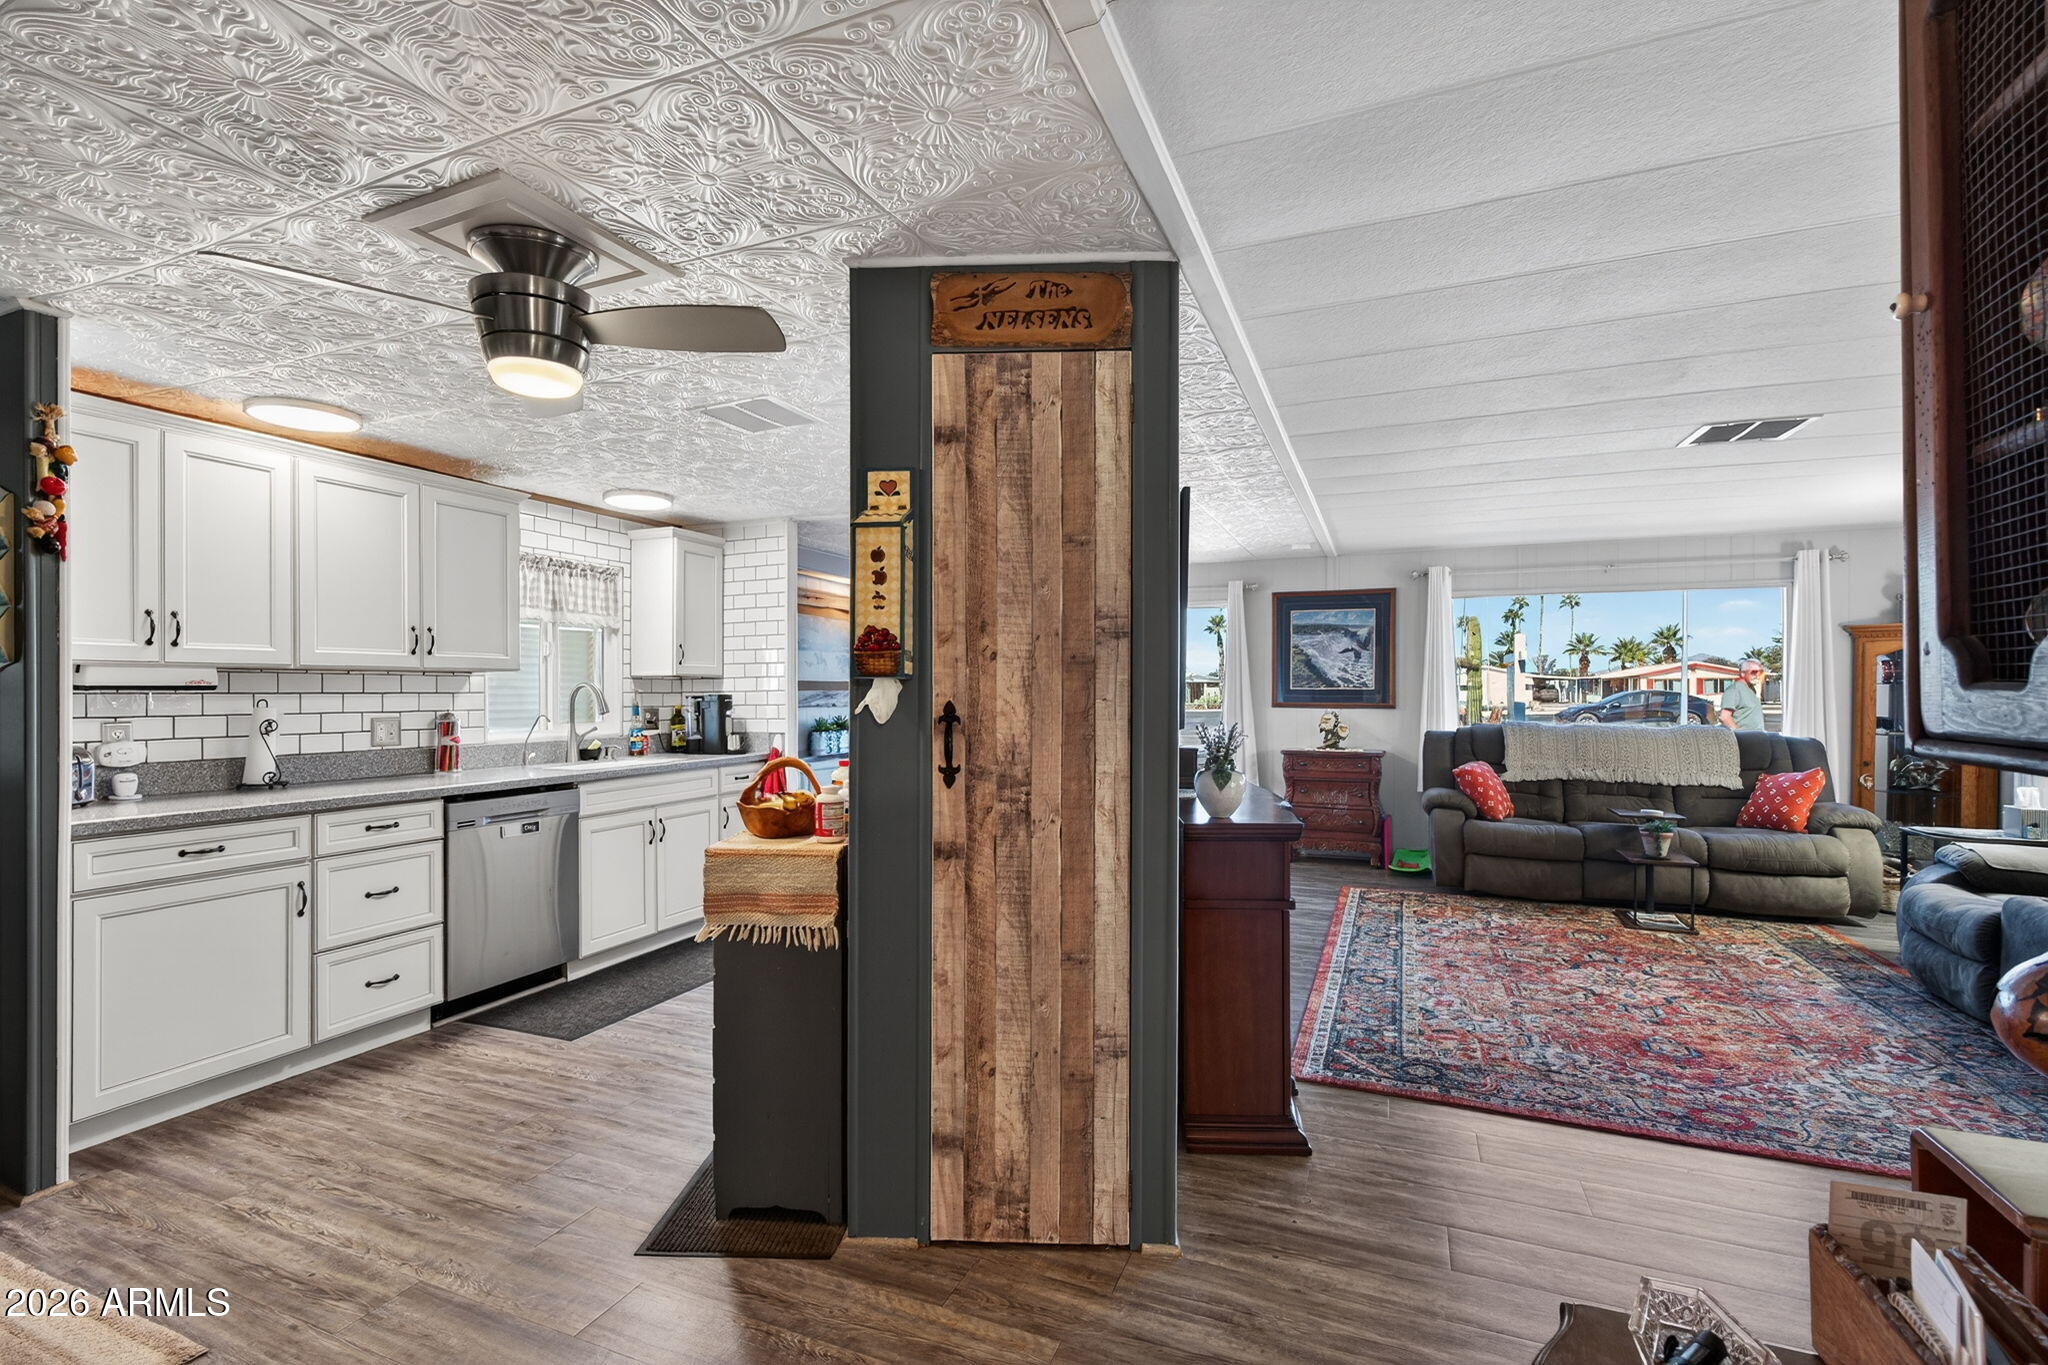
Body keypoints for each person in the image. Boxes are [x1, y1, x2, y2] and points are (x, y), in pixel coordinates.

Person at [1719, 659, 1767, 731]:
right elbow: (1724, 717)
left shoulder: (1752, 689)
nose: (1757, 675)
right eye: (1753, 672)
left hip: (1758, 737)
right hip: (1745, 739)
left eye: (1759, 672)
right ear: (1743, 673)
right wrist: (1739, 734)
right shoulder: (1734, 690)